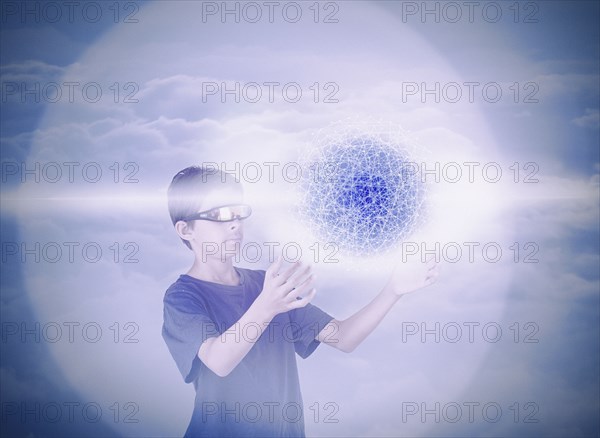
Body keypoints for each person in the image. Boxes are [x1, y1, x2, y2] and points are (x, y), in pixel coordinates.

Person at [162, 165, 439, 437]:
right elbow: (218, 361)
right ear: (186, 230)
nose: (234, 223)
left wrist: (393, 290)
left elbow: (343, 337)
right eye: (219, 214)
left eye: (237, 212)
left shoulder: (268, 286)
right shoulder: (183, 298)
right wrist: (266, 306)